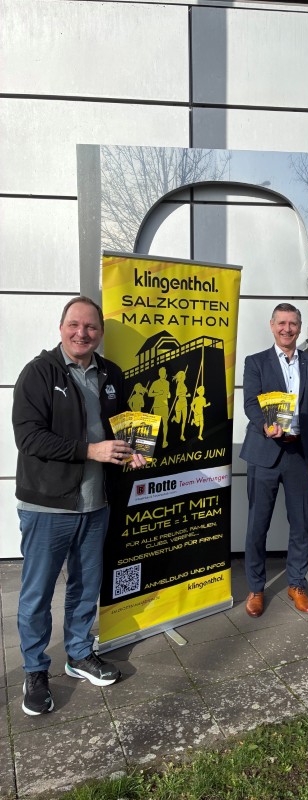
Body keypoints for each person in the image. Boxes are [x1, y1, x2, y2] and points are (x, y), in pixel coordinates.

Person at [12, 296, 146, 716]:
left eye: (90, 327)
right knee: (37, 594)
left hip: (96, 503)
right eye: (74, 324)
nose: (81, 333)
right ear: (61, 327)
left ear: (100, 333)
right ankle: (35, 670)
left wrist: (132, 450)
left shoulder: (111, 374)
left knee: (86, 586)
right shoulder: (39, 372)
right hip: (47, 506)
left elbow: (121, 425)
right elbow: (29, 438)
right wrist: (90, 450)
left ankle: (78, 654)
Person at [240, 303, 308, 617]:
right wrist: (265, 424)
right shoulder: (255, 362)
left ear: (299, 327)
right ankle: (256, 588)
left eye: (293, 323)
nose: (287, 329)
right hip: (264, 454)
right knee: (257, 526)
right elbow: (251, 403)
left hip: (301, 456)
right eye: (281, 323)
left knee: (301, 525)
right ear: (272, 325)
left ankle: (297, 584)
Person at [148, 366, 170, 447]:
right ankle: (154, 443)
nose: (163, 374)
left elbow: (167, 393)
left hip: (165, 405)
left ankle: (164, 440)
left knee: (165, 424)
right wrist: (158, 393)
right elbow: (149, 394)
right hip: (157, 406)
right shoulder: (155, 383)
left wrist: (168, 394)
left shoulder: (167, 383)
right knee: (156, 425)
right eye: (162, 372)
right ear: (159, 374)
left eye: (164, 373)